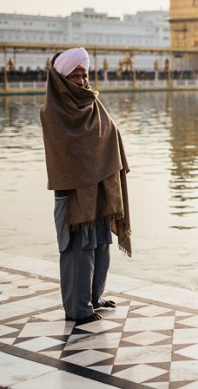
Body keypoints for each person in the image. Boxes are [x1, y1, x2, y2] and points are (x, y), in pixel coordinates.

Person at [40, 47, 132, 325]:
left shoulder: (92, 103)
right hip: (75, 194)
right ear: (60, 79)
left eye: (84, 74)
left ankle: (93, 297)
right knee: (78, 251)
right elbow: (70, 152)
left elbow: (107, 136)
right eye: (75, 75)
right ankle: (77, 308)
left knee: (100, 246)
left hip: (101, 189)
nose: (81, 81)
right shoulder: (53, 112)